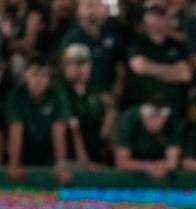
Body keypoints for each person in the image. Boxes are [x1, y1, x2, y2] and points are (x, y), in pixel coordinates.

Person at [4, 56, 72, 184]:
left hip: (49, 162)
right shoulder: (15, 95)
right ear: (25, 75)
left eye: (44, 75)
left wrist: (61, 165)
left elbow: (59, 131)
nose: (39, 79)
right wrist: (14, 163)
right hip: (24, 158)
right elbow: (16, 129)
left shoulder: (57, 95)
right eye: (34, 74)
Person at [126, 0, 192, 119]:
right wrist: (172, 71)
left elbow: (185, 75)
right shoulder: (137, 43)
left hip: (174, 112)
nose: (157, 18)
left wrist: (152, 70)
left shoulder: (176, 45)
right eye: (152, 13)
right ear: (144, 18)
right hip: (144, 112)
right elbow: (140, 67)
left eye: (161, 13)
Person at [59, 0, 124, 100]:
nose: (92, 11)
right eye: (88, 6)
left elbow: (120, 65)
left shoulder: (111, 32)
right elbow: (69, 75)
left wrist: (115, 92)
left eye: (96, 6)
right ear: (78, 10)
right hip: (82, 100)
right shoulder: (72, 39)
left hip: (110, 96)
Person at [62, 43, 110, 167]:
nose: (80, 68)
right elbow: (73, 128)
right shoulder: (61, 92)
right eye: (75, 63)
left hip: (95, 158)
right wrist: (84, 162)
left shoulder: (93, 93)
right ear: (65, 66)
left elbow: (100, 127)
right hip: (72, 160)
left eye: (84, 63)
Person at [114, 95, 182, 179]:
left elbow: (172, 163)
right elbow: (121, 162)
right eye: (152, 117)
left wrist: (159, 167)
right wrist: (147, 166)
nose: (157, 122)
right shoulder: (129, 120)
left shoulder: (173, 122)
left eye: (161, 118)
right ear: (142, 115)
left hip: (159, 169)